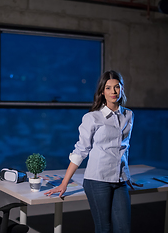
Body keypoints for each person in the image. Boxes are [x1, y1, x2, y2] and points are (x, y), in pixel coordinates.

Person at [44, 70, 142, 233]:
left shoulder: (129, 115)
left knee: (124, 228)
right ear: (102, 91)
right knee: (104, 228)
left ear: (122, 89)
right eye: (108, 88)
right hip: (97, 179)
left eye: (117, 87)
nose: (113, 92)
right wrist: (64, 183)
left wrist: (127, 175)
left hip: (120, 180)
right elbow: (80, 151)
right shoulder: (92, 118)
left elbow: (124, 148)